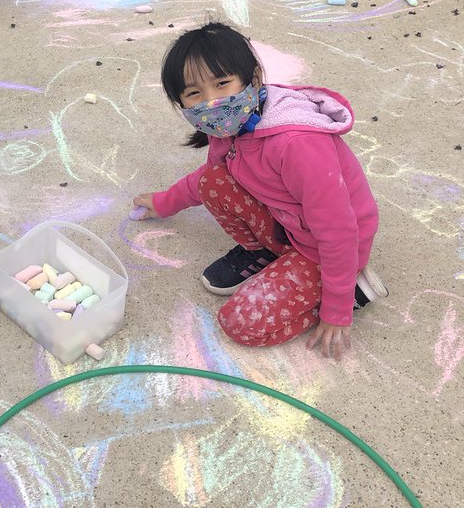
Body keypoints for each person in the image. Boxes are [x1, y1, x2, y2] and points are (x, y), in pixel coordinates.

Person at [130, 23, 386, 358]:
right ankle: (265, 253)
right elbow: (211, 178)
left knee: (240, 322)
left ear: (251, 80)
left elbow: (338, 231)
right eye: (195, 93)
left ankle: (354, 291)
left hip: (327, 250)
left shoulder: (297, 145)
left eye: (222, 84)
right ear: (181, 102)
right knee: (214, 183)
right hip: (289, 226)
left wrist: (336, 310)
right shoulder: (233, 124)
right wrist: (165, 203)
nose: (212, 101)